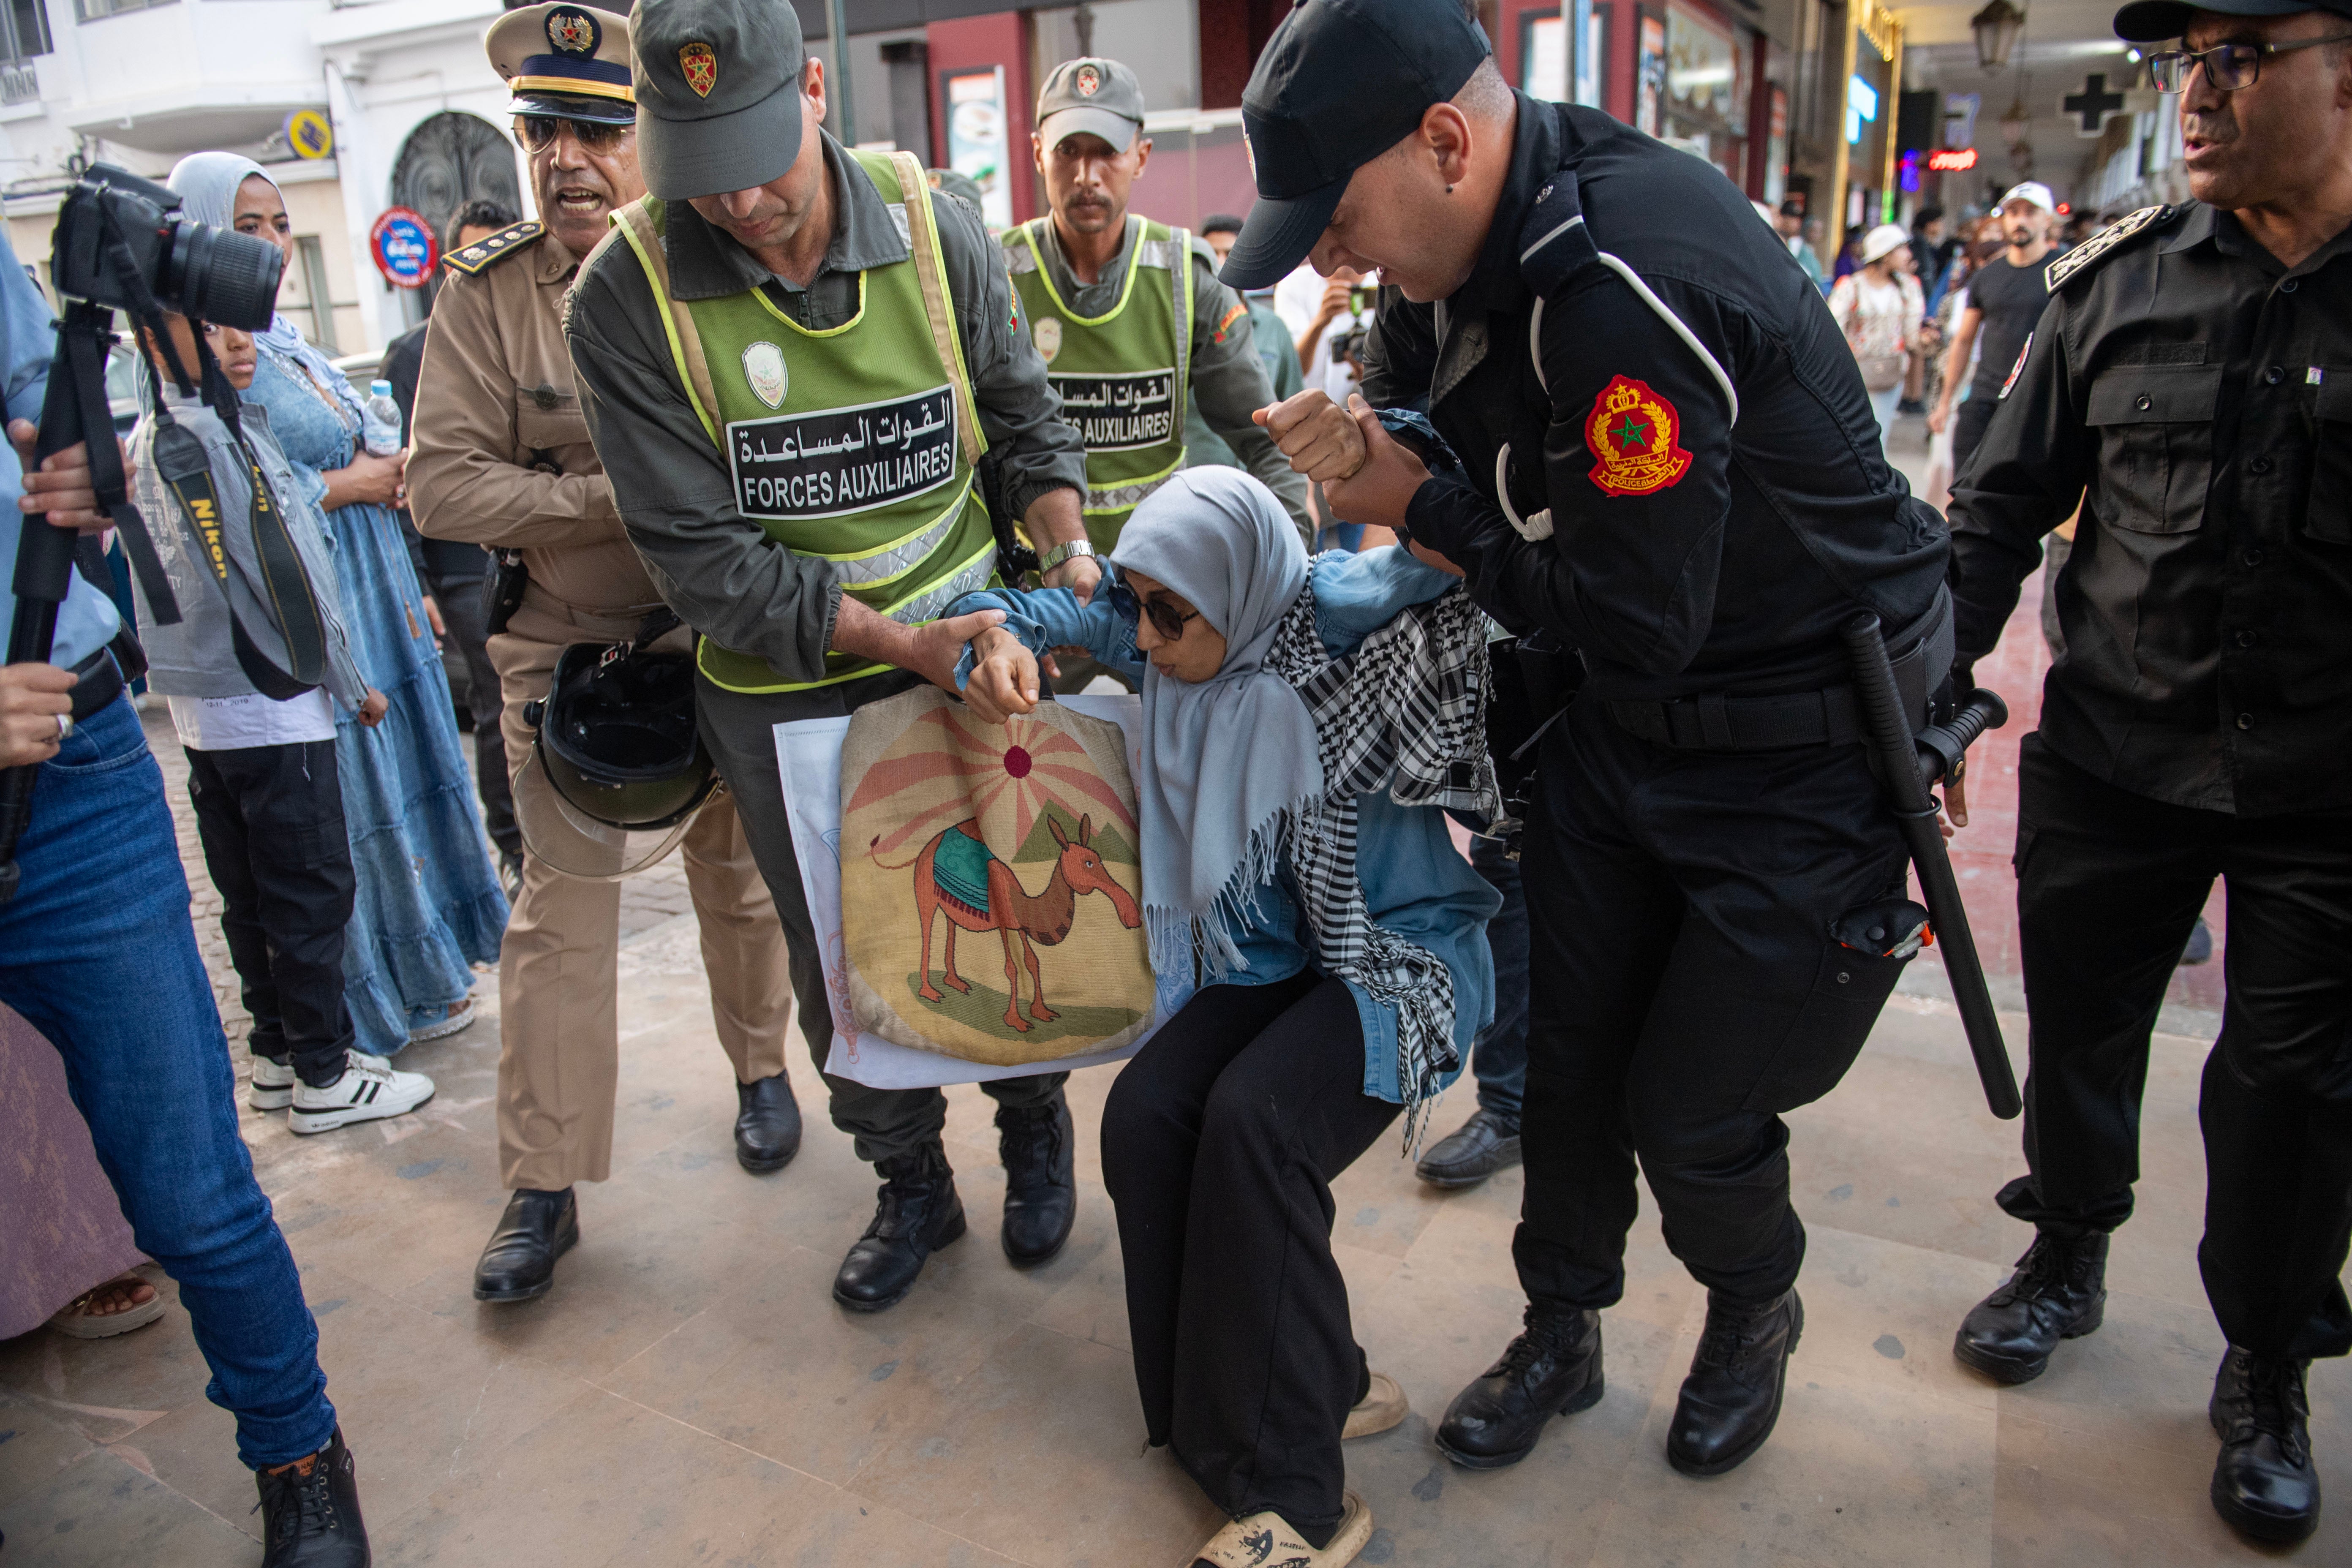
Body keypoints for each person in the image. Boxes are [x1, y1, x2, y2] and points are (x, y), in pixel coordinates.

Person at [1229, 0, 1950, 1478]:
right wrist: (1377, 451)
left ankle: (1750, 1304)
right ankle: (1559, 1326)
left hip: (1794, 744)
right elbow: (1451, 434)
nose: (1330, 262)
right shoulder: (1453, 262)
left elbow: (1630, 613)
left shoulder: (1618, 277)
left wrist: (1412, 505)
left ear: (1444, 142)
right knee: (1565, 1062)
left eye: (1338, 219)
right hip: (1615, 722)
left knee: (1691, 1108)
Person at [564, 0, 1095, 1312]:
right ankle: (908, 1179)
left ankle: (1033, 1123)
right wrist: (903, 644)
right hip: (783, 694)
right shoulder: (624, 297)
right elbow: (706, 564)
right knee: (846, 956)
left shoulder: (933, 224)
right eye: (703, 172)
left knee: (1014, 901)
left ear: (813, 89)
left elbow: (1023, 418)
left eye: (761, 160)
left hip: (978, 655)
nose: (741, 203)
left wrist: (1070, 554)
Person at [1940, 0, 2352, 1542]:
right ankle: (2066, 1249)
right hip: (2116, 751)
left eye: (2240, 55)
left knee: (2292, 1083)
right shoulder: (2111, 282)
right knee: (2083, 1033)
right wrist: (1933, 693)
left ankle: (2267, 1359)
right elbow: (1995, 510)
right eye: (2187, 61)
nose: (2199, 92)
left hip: (2327, 787)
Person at [955, 468, 1500, 1568]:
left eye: (1172, 616)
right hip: (1279, 957)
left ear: (1242, 588)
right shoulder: (1166, 625)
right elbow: (1036, 611)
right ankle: (1274, 1397)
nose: (1147, 642)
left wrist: (1408, 478)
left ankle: (1297, 1499)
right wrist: (997, 639)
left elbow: (1446, 568)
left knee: (1258, 1122)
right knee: (1148, 1113)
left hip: (1397, 953)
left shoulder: (1325, 614)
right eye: (1143, 609)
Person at [409, 0, 802, 1304]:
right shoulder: (484, 297)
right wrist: (619, 499)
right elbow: (441, 486)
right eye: (543, 131)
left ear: (648, 138)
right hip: (566, 653)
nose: (566, 160)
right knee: (558, 922)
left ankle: (761, 1069)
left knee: (738, 883)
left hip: (717, 638)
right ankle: (543, 1183)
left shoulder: (717, 260)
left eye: (596, 129)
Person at [0, 226, 375, 1567]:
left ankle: (299, 1452)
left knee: (190, 1189)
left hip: (75, 771)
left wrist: (87, 473)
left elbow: (54, 424)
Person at [170, 153, 508, 1057]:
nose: (272, 246)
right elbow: (233, 494)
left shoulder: (283, 340)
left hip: (376, 580)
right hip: (314, 602)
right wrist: (354, 482)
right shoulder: (207, 354)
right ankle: (365, 1007)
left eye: (281, 225)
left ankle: (427, 973)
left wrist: (386, 487)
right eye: (247, 228)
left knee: (404, 774)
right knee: (348, 810)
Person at [125, 304, 440, 1134]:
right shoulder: (223, 437)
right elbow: (288, 579)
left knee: (250, 894)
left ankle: (278, 1057)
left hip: (203, 711)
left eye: (239, 327)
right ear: (153, 337)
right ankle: (324, 1073)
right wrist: (351, 681)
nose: (239, 344)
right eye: (209, 328)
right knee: (310, 891)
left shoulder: (149, 438)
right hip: (274, 704)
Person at [1004, 54, 1309, 691]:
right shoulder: (995, 274)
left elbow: (1268, 440)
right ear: (1037, 154)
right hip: (1041, 609)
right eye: (1068, 152)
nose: (1087, 175)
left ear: (1141, 156)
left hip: (1159, 612)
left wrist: (1279, 581)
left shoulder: (1185, 278)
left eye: (1107, 153)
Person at [382, 196, 524, 899]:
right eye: (475, 256)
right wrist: (418, 583)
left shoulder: (533, 329)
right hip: (463, 562)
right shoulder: (415, 354)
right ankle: (514, 846)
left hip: (530, 545)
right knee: (497, 698)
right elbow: (406, 475)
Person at [1929, 180, 2059, 481]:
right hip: (1985, 397)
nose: (2020, 220)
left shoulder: (2063, 272)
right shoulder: (1986, 278)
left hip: (2040, 402)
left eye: (2030, 212)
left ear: (2048, 220)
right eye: (2013, 213)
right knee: (1966, 486)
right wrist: (1945, 403)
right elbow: (1963, 340)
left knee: (2026, 493)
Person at [1186, 212, 1307, 474]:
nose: (1220, 263)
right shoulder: (1183, 330)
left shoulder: (1274, 328)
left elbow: (1294, 405)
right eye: (1213, 255)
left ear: (1244, 259)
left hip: (1263, 480)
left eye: (1229, 254)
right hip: (1198, 480)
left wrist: (1303, 486)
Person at [1826, 222, 1925, 455]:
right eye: (1902, 249)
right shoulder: (1851, 287)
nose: (1908, 255)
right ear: (1885, 253)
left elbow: (1912, 338)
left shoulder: (1908, 288)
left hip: (1890, 375)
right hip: (1853, 376)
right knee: (1849, 438)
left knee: (1879, 438)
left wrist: (1929, 340)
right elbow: (1833, 332)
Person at [1776, 199, 1827, 289]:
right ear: (1783, 217)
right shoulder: (1776, 238)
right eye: (1793, 217)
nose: (1797, 222)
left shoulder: (1796, 244)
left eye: (1798, 219)